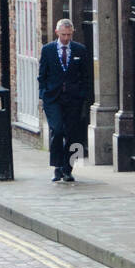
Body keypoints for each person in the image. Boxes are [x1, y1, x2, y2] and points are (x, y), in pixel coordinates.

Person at [37, 18, 93, 183]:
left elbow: (86, 75)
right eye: (63, 35)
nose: (66, 38)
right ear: (57, 33)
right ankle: (57, 167)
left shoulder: (80, 50)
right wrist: (43, 94)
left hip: (73, 99)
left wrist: (83, 94)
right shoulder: (47, 50)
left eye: (69, 35)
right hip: (53, 98)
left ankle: (68, 169)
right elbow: (42, 75)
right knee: (58, 129)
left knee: (73, 134)